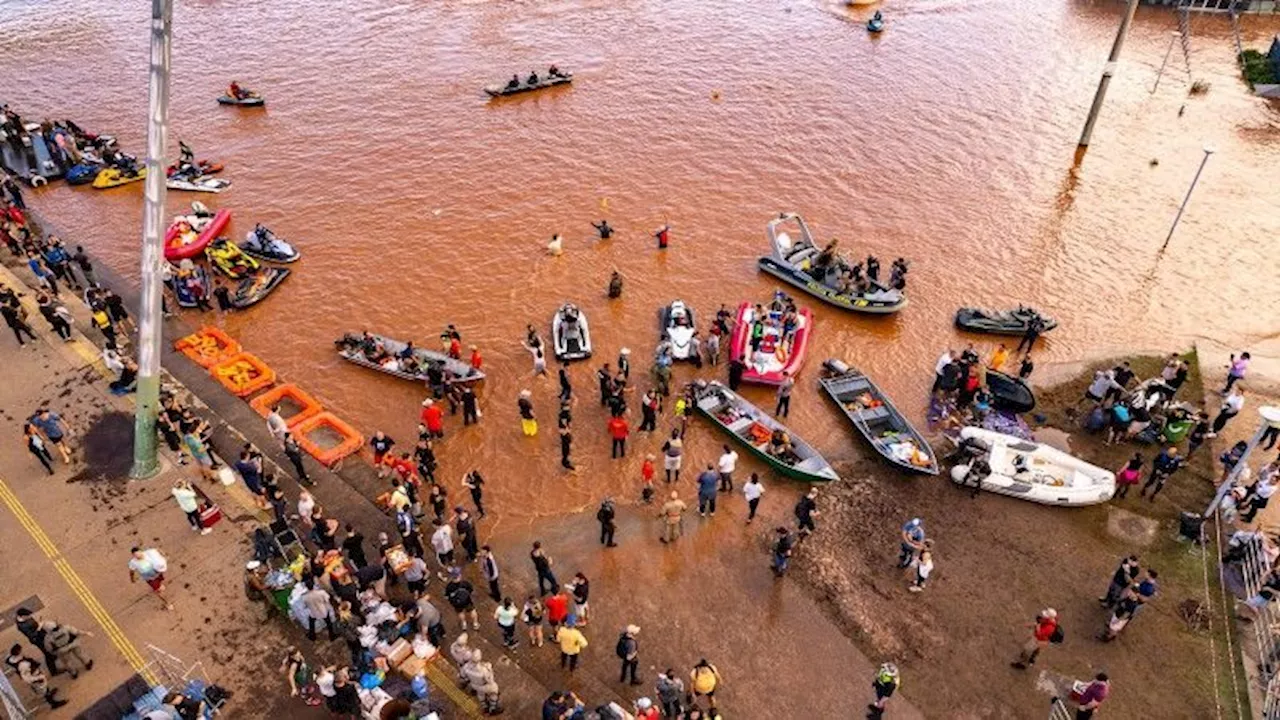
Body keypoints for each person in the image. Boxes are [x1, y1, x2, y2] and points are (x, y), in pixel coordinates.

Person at [128, 546, 174, 610]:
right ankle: (168, 603)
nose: (137, 556)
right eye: (135, 555)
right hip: (150, 579)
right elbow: (131, 572)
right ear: (133, 555)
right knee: (159, 591)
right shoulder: (133, 563)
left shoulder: (149, 552)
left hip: (158, 573)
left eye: (138, 553)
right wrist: (132, 579)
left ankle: (160, 585)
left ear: (141, 551)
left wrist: (164, 555)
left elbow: (157, 549)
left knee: (160, 583)